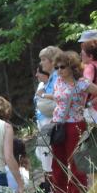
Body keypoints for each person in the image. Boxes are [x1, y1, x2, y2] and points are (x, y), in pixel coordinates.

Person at [40, 51, 97, 193]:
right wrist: (44, 96)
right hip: (57, 124)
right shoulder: (58, 80)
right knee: (57, 164)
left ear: (72, 67)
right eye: (57, 67)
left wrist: (89, 104)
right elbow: (58, 98)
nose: (59, 70)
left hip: (75, 124)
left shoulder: (82, 83)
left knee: (76, 164)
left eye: (62, 67)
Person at [34, 46, 61, 176]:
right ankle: (50, 182)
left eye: (44, 59)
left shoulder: (58, 77)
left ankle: (52, 182)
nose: (41, 63)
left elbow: (59, 98)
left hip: (52, 121)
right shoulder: (51, 78)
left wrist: (43, 95)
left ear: (52, 60)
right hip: (44, 121)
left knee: (49, 155)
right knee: (44, 153)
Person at [81, 39, 97, 124]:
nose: (81, 56)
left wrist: (88, 104)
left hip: (93, 109)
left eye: (82, 54)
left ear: (90, 56)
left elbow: (85, 86)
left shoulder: (90, 67)